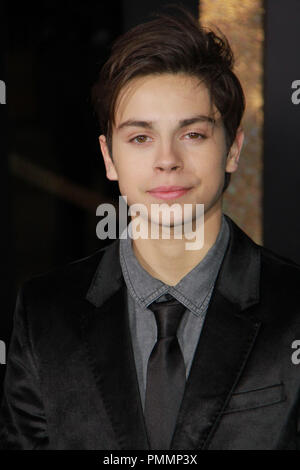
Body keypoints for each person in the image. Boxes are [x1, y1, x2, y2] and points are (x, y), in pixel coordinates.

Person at [1, 6, 300, 450]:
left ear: (233, 150)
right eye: (140, 137)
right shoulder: (45, 311)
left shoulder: (293, 307)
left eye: (193, 134)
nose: (167, 160)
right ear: (108, 158)